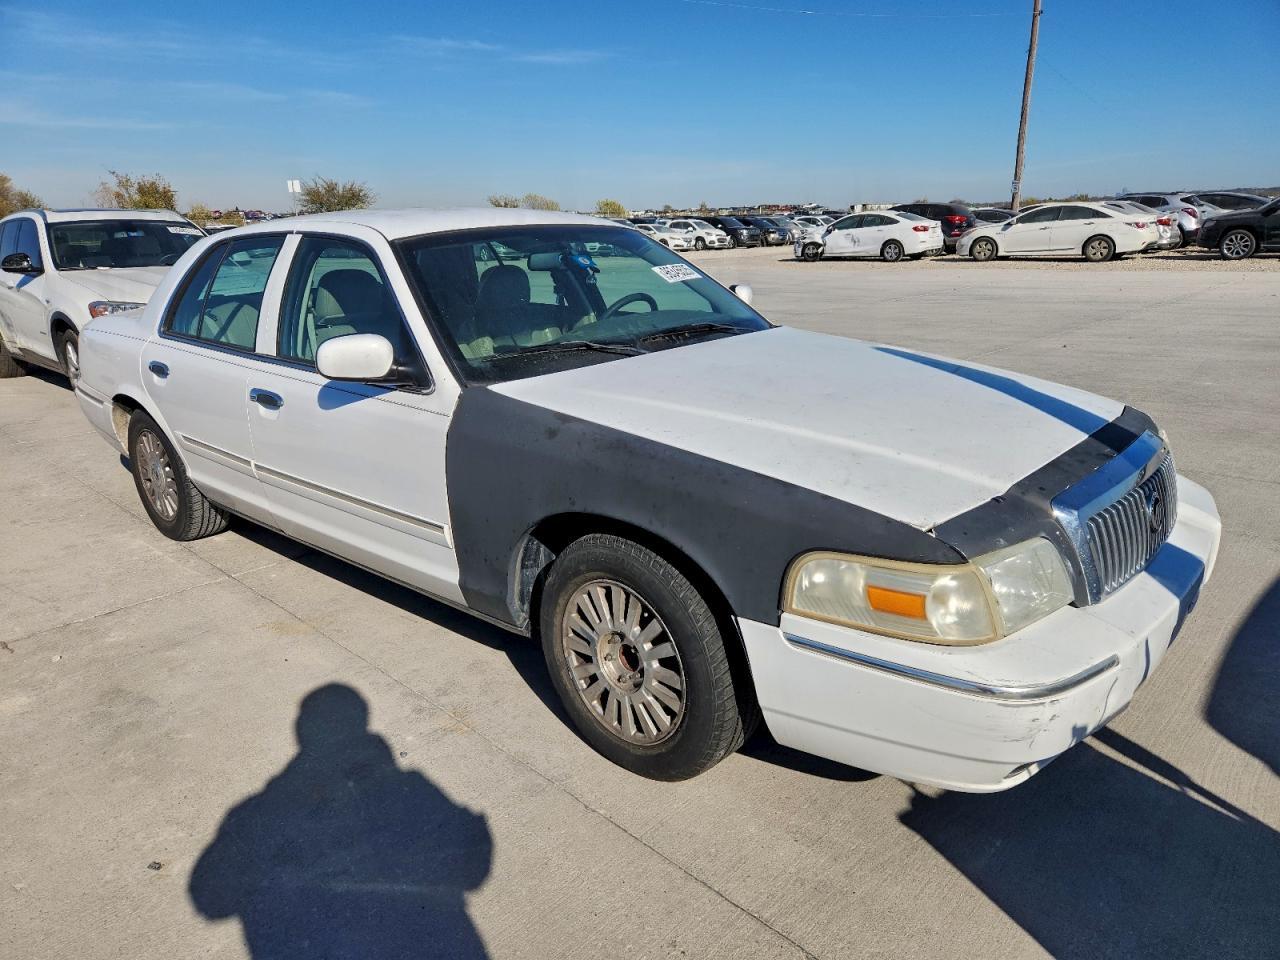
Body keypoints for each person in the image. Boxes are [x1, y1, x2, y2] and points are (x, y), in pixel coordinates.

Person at [190, 684, 492, 959]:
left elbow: (211, 900)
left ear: (303, 730)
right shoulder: (414, 788)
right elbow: (475, 866)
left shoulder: (263, 810)